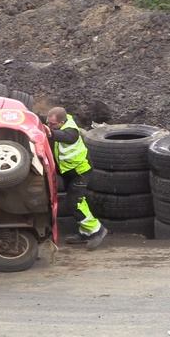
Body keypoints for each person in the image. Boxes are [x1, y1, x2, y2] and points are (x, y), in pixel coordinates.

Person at [44, 107, 107, 250]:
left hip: (80, 172)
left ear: (62, 122)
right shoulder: (59, 122)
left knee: (75, 203)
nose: (49, 126)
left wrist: (49, 132)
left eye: (53, 124)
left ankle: (97, 230)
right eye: (48, 123)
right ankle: (85, 233)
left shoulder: (71, 131)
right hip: (68, 172)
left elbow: (64, 136)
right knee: (77, 201)